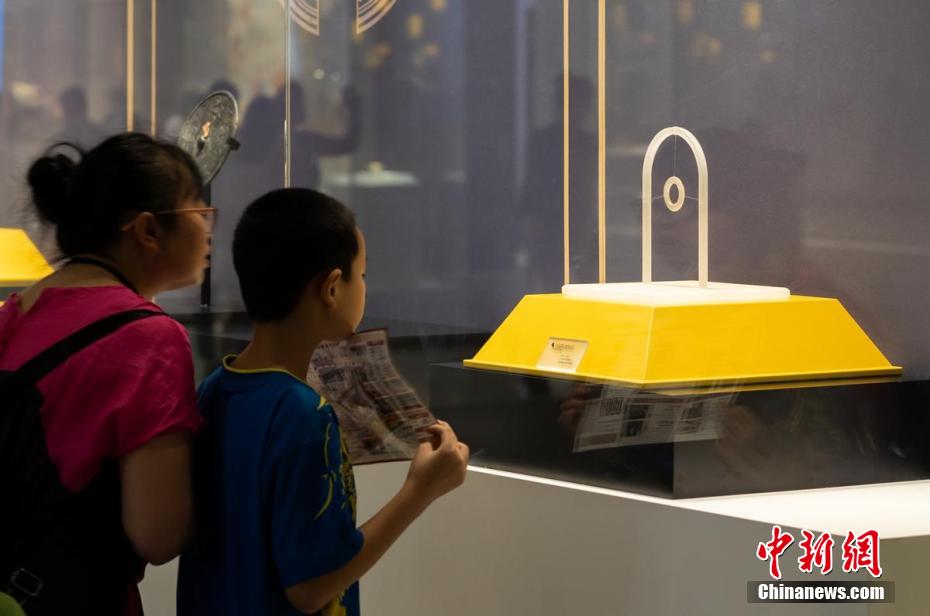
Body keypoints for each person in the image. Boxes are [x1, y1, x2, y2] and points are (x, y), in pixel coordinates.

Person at [177, 188, 469, 616]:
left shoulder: (214, 389)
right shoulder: (302, 413)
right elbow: (311, 587)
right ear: (332, 288)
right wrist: (419, 491)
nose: (364, 287)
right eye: (361, 275)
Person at [0, 133, 212, 615]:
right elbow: (158, 534)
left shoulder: (16, 312)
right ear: (148, 229)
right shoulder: (148, 337)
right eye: (200, 211)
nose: (208, 231)